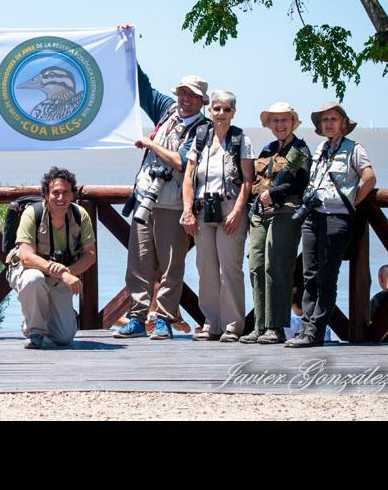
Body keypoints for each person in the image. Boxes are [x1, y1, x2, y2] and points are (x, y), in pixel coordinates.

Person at [114, 62, 208, 340]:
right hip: (145, 199)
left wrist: (151, 144)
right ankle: (136, 318)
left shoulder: (203, 129)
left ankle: (164, 320)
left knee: (171, 266)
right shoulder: (167, 109)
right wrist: (128, 54)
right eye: (182, 93)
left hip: (174, 205)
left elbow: (181, 162)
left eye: (192, 95)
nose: (185, 99)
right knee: (138, 262)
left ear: (202, 102)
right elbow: (143, 88)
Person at [285, 101, 377, 348]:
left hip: (337, 218)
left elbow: (369, 178)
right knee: (309, 275)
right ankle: (305, 328)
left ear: (343, 123)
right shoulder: (320, 148)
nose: (328, 123)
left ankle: (315, 331)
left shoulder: (354, 148)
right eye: (324, 119)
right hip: (313, 216)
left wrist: (351, 202)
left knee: (326, 276)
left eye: (333, 119)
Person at [182, 90, 254, 342]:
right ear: (209, 111)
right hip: (203, 208)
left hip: (230, 206)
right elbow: (188, 178)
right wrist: (187, 211)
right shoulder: (201, 136)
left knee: (230, 268)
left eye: (226, 109)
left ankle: (233, 325)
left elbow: (247, 180)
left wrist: (237, 212)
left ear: (233, 113)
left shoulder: (241, 139)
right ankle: (211, 323)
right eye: (216, 108)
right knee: (206, 268)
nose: (221, 113)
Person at [240, 102, 311, 345]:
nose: (280, 124)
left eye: (284, 120)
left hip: (286, 212)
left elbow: (300, 183)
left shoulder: (301, 149)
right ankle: (259, 326)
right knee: (256, 266)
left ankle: (276, 326)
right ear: (269, 124)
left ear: (293, 123)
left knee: (277, 266)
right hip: (259, 215)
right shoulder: (267, 149)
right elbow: (255, 182)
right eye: (275, 120)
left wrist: (275, 193)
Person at [6, 167, 96, 349]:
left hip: (59, 275)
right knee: (34, 280)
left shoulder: (79, 215)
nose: (60, 198)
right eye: (55, 192)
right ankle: (34, 330)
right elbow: (26, 257)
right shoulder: (32, 213)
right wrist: (63, 274)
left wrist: (67, 272)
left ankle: (52, 317)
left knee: (64, 337)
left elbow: (90, 255)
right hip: (28, 270)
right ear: (46, 194)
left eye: (66, 192)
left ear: (72, 195)